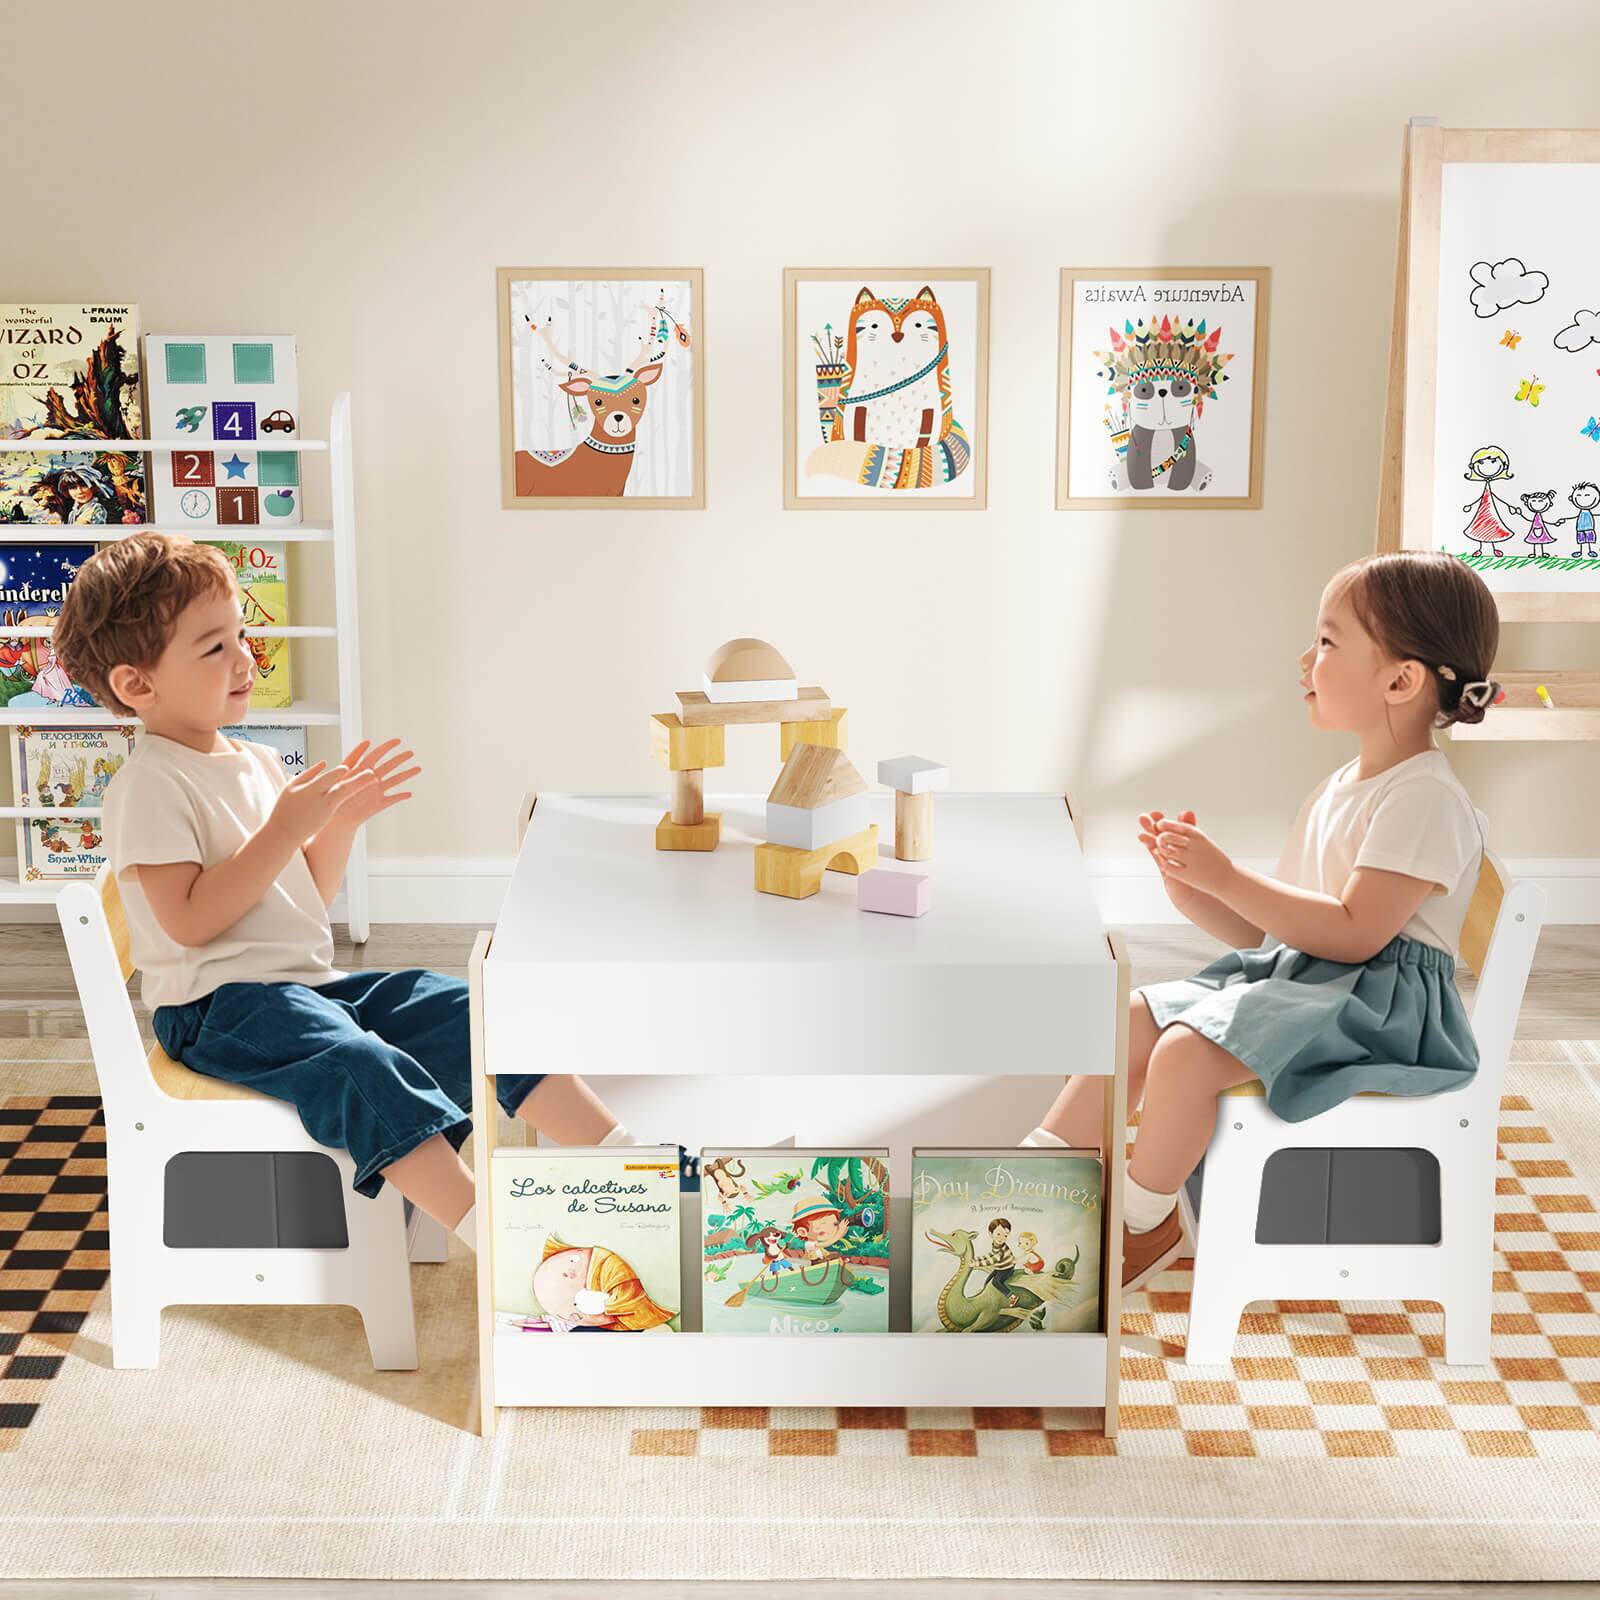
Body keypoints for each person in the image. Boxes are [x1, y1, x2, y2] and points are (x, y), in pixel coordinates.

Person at [52, 533, 657, 1250]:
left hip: (301, 989)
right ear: (137, 686)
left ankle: (635, 1172)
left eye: (241, 635)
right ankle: (503, 1245)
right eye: (213, 649)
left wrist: (335, 828)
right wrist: (285, 828)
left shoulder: (257, 761)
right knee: (357, 1065)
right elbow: (188, 923)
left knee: (478, 1010)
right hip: (215, 1009)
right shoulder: (149, 785)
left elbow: (302, 901)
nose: (245, 658)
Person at [1023, 551, 1500, 1295]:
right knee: (1137, 1019)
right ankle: (1029, 1187)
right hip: (1314, 981)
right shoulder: (1343, 785)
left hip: (1379, 1005)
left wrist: (1228, 876)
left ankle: (1145, 1227)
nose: (1306, 659)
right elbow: (1286, 933)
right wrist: (1199, 895)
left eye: (1330, 642)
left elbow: (1354, 935)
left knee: (1185, 1053)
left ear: (1401, 681)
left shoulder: (1425, 799)